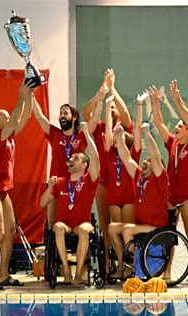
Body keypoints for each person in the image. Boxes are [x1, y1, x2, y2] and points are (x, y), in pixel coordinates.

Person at [0, 81, 34, 290]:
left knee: (10, 230)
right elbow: (16, 117)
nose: (11, 119)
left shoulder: (9, 137)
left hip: (3, 190)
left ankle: (3, 275)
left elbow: (25, 116)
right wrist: (21, 95)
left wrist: (29, 95)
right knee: (0, 232)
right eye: (7, 117)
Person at [82, 68, 133, 271]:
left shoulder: (124, 130)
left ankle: (126, 263)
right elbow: (86, 113)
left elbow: (127, 116)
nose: (111, 110)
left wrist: (113, 89)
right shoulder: (100, 126)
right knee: (105, 223)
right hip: (103, 180)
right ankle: (105, 264)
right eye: (109, 109)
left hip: (121, 181)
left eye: (114, 109)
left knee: (123, 225)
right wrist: (101, 94)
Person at [149, 82, 188, 282]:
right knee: (168, 235)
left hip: (187, 195)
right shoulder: (172, 144)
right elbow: (160, 124)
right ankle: (167, 270)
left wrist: (177, 100)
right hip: (171, 195)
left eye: (180, 126)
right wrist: (156, 103)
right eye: (177, 126)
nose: (176, 128)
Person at [39, 122, 99, 284]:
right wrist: (49, 187)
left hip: (82, 224)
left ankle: (79, 273)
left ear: (84, 165)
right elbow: (42, 203)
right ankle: (66, 270)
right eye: (71, 157)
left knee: (86, 230)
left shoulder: (89, 180)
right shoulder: (59, 182)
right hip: (64, 225)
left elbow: (96, 157)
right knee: (57, 227)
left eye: (76, 158)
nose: (71, 159)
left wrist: (86, 133)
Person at [108, 123, 169, 279]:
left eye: (148, 161)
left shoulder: (159, 179)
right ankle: (124, 264)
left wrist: (146, 133)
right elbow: (126, 157)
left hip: (156, 227)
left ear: (157, 167)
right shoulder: (139, 177)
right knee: (112, 228)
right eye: (145, 160)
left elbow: (155, 155)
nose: (145, 161)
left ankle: (134, 266)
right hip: (141, 226)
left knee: (127, 230)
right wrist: (120, 137)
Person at [32, 93, 87, 228]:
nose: (62, 115)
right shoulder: (55, 134)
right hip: (56, 184)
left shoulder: (82, 135)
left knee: (76, 225)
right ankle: (54, 248)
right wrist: (31, 94)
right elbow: (39, 117)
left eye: (65, 113)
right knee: (52, 225)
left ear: (74, 117)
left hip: (76, 185)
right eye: (60, 113)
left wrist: (101, 97)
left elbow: (94, 118)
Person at [104, 90, 143, 225]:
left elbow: (137, 128)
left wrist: (139, 105)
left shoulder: (133, 153)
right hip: (113, 196)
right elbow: (108, 126)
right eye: (116, 136)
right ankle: (119, 248)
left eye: (121, 135)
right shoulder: (110, 153)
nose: (117, 137)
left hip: (129, 196)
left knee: (127, 230)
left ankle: (128, 247)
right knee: (115, 230)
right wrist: (108, 106)